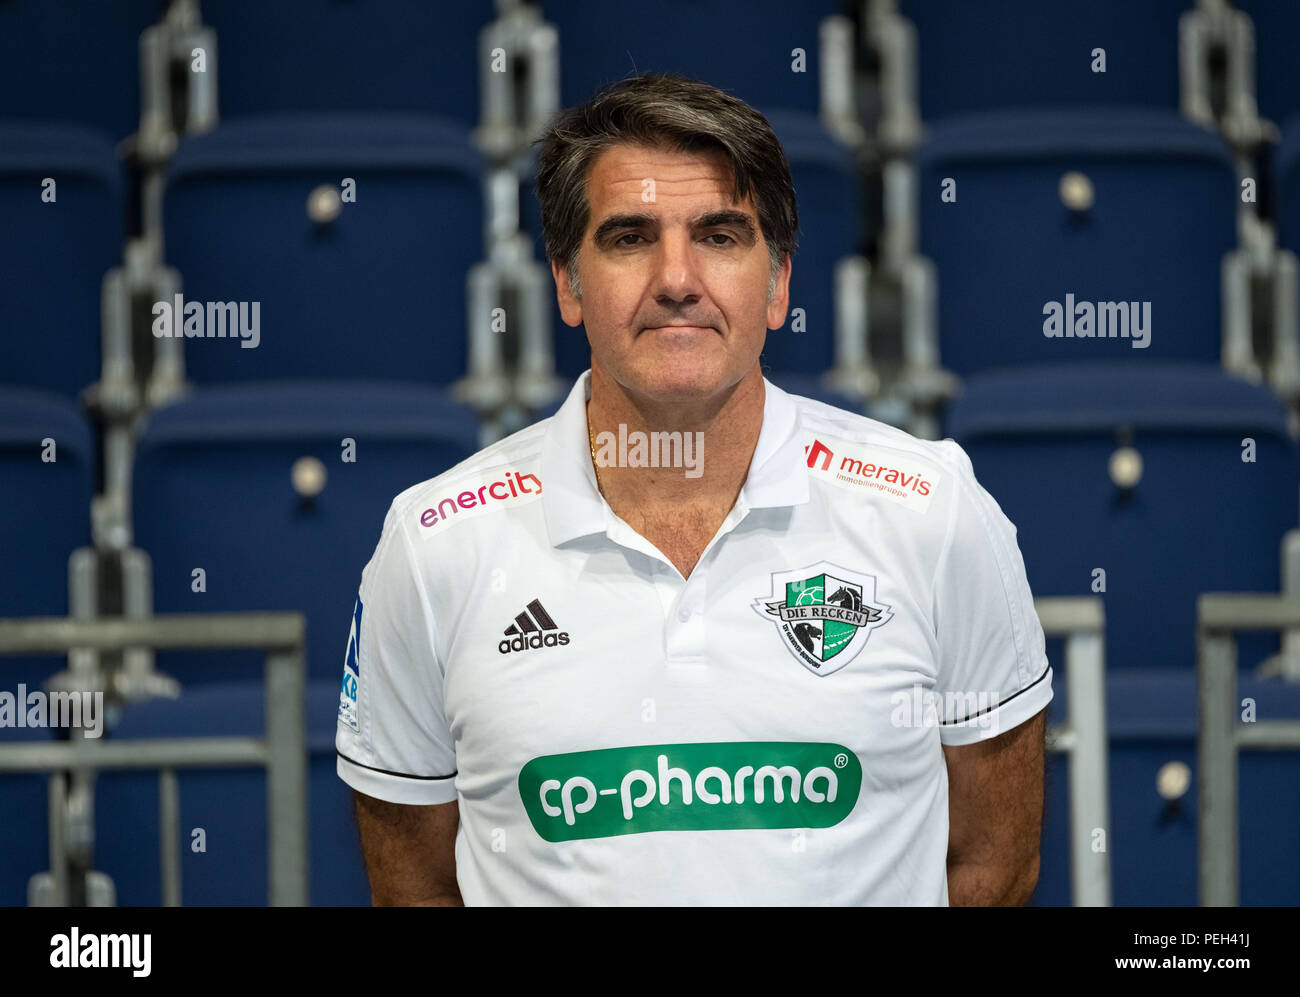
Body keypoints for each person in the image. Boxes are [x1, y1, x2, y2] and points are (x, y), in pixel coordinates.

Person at [336, 73, 1051, 905]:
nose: (677, 279)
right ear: (566, 283)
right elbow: (413, 886)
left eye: (719, 235)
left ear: (779, 282)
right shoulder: (434, 545)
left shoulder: (935, 511)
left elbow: (994, 867)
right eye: (631, 237)